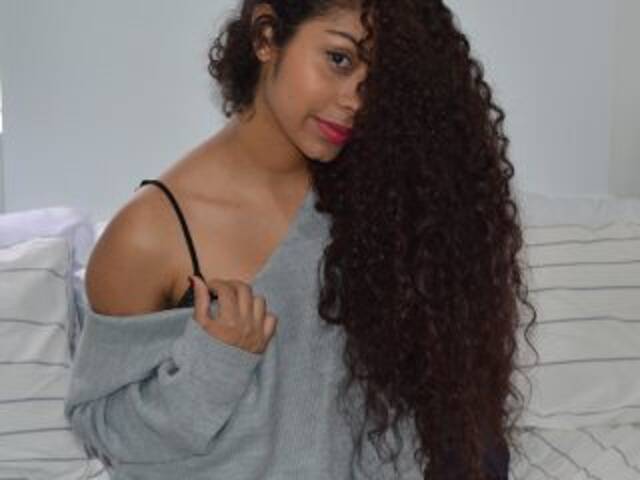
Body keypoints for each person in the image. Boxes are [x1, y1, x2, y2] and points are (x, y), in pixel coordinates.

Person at [64, 1, 537, 479]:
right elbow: (104, 435)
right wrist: (215, 362)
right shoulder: (149, 236)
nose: (356, 100)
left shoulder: (383, 202)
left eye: (378, 79)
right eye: (339, 59)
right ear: (267, 36)